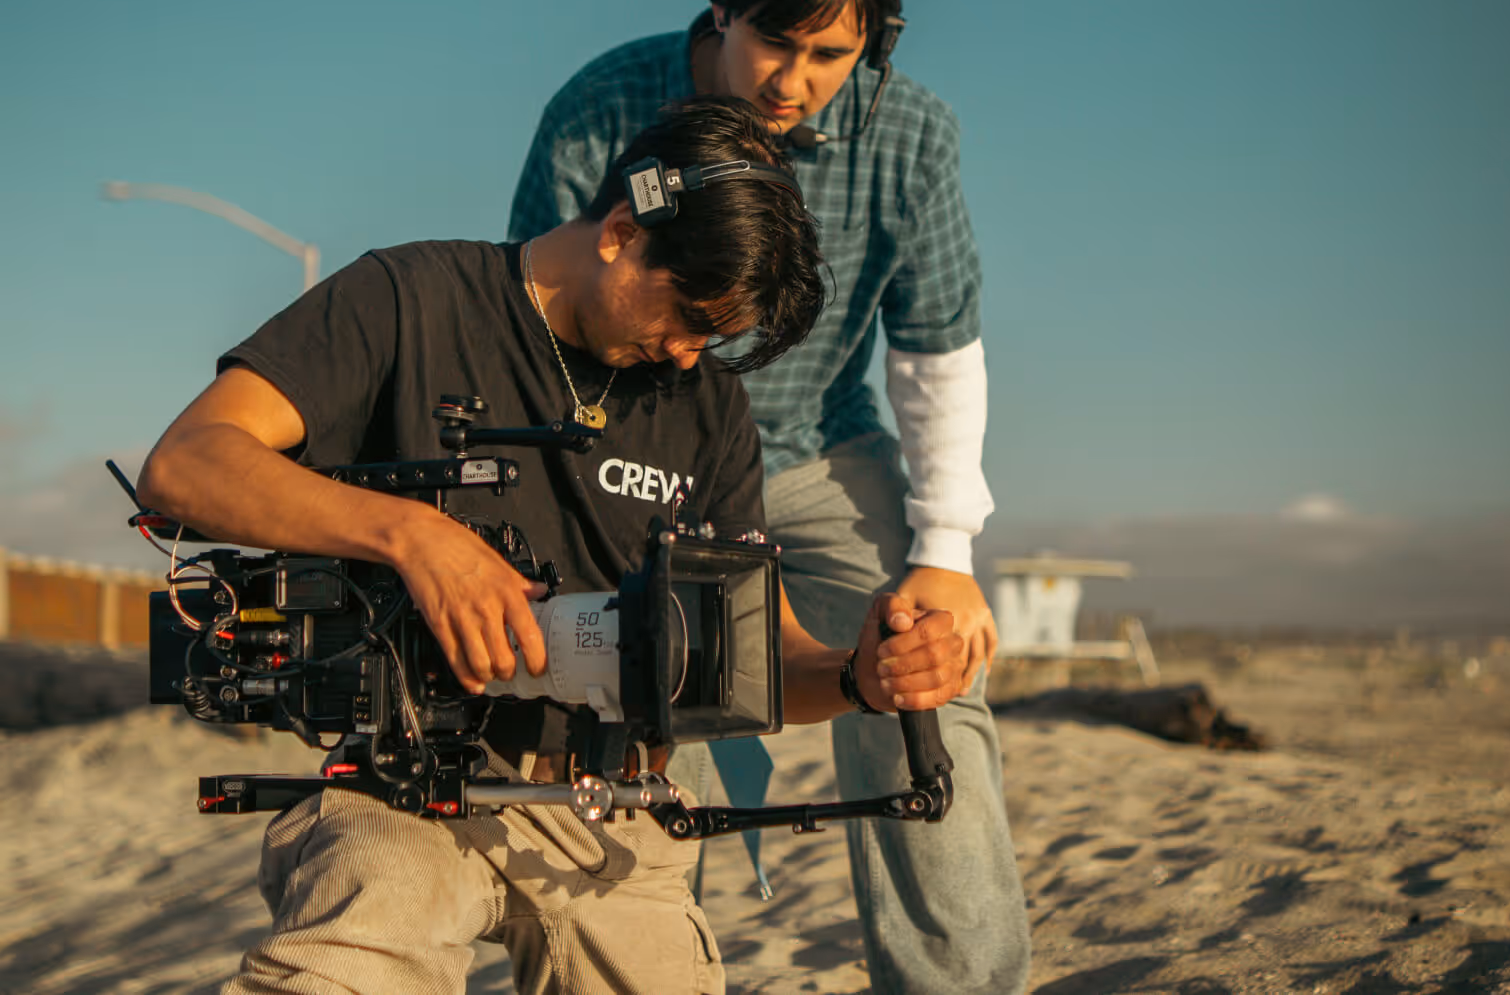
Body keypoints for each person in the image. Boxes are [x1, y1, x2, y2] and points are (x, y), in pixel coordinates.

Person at [136, 98, 965, 995]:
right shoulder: (409, 297)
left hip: (613, 809)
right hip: (407, 786)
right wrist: (416, 535)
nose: (688, 354)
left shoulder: (708, 406)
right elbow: (187, 464)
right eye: (687, 312)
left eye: (713, 337)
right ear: (619, 231)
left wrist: (858, 676)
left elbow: (758, 662)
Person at [509, 0, 1029, 994]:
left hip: (817, 453)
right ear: (719, 8)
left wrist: (944, 559)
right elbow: (529, 322)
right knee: (638, 697)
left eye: (829, 55)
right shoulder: (603, 106)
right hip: (634, 456)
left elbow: (934, 348)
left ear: (871, 46)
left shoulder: (916, 139)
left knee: (927, 670)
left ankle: (958, 979)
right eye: (770, 42)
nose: (793, 80)